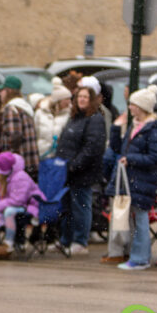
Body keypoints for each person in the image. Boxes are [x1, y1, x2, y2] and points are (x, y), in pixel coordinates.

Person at [105, 85, 157, 270]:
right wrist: (116, 128)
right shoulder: (134, 125)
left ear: (141, 107)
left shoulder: (154, 129)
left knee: (140, 219)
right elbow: (117, 149)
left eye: (132, 104)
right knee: (133, 219)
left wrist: (131, 159)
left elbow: (155, 158)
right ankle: (136, 255)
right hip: (132, 179)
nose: (129, 107)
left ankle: (140, 258)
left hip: (143, 180)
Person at [55, 85, 107, 256]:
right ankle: (65, 239)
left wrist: (75, 164)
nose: (82, 99)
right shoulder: (74, 118)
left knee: (81, 206)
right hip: (67, 170)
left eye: (85, 97)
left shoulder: (95, 119)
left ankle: (80, 241)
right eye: (79, 96)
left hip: (82, 171)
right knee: (66, 207)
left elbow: (92, 147)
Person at [0, 151, 45, 260]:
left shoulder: (20, 177)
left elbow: (18, 201)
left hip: (30, 206)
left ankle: (8, 244)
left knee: (8, 211)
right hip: (13, 204)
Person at [0, 76, 39, 180]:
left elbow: (15, 136)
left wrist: (9, 161)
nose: (0, 93)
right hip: (30, 161)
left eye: (2, 90)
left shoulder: (11, 108)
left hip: (18, 164)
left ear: (9, 91)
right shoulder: (24, 106)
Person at [34, 79, 72, 158]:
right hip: (42, 155)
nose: (69, 102)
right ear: (58, 101)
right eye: (66, 99)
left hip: (59, 157)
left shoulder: (70, 114)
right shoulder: (40, 112)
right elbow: (35, 133)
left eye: (69, 99)